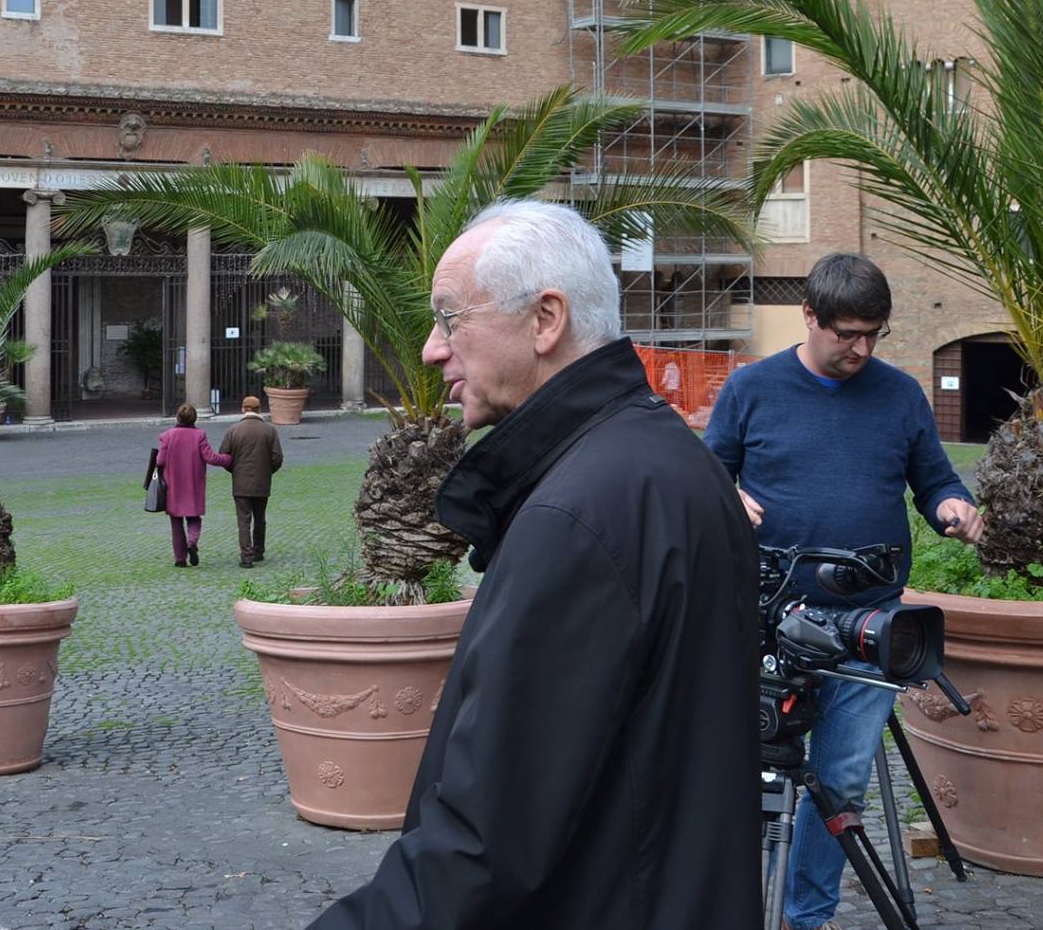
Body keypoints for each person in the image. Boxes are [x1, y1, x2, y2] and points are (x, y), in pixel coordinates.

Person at [308, 199, 760, 930]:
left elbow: (486, 842)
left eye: (450, 318)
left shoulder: (577, 514)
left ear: (545, 319)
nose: (430, 347)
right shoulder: (666, 459)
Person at [705, 253, 984, 930]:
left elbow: (935, 480)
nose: (861, 348)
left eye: (873, 334)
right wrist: (724, 496)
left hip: (870, 622)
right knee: (756, 782)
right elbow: (706, 470)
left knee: (841, 782)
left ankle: (808, 917)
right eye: (846, 333)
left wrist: (954, 509)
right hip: (766, 621)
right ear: (810, 316)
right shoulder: (752, 389)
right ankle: (738, 909)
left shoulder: (901, 395)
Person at [152, 403, 232, 567]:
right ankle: (192, 542)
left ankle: (180, 559)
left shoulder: (168, 436)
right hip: (193, 484)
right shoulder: (200, 435)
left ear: (178, 417)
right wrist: (229, 459)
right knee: (194, 517)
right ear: (194, 418)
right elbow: (211, 458)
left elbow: (160, 460)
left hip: (173, 485)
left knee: (176, 522)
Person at [219, 394, 283, 566]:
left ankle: (246, 557)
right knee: (260, 518)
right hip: (262, 482)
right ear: (259, 409)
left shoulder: (234, 430)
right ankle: (258, 551)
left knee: (244, 520)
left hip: (240, 482)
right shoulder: (270, 430)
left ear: (243, 409)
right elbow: (277, 458)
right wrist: (267, 471)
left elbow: (223, 456)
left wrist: (234, 470)